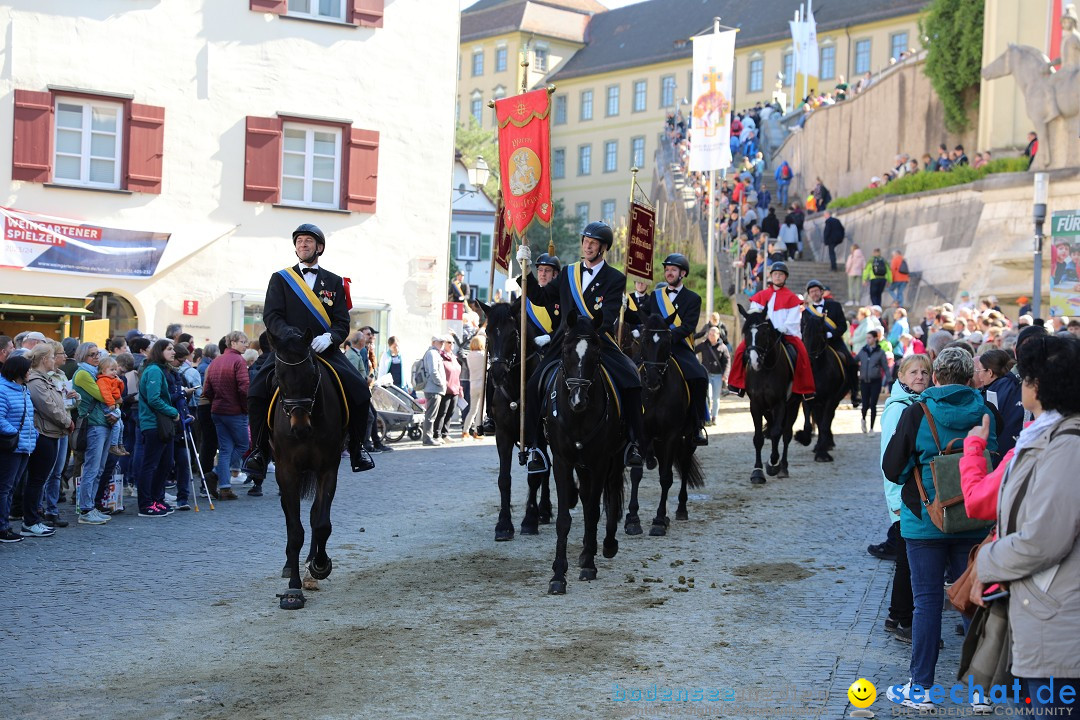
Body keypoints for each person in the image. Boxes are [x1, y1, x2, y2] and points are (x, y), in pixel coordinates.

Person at [968, 333, 1080, 716]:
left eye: (1026, 375)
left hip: (1059, 619)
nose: (1021, 384)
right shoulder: (1049, 435)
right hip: (1045, 610)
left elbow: (1043, 539)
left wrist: (986, 564)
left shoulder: (1067, 445)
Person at [882, 348, 999, 711]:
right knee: (974, 602)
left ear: (934, 378)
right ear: (970, 379)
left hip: (924, 520)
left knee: (927, 603)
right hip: (974, 517)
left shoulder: (918, 412)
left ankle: (921, 688)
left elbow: (892, 466)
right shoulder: (987, 411)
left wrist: (919, 482)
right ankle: (981, 691)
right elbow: (994, 457)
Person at [244, 223, 374, 478]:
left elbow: (341, 322)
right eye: (299, 241)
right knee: (257, 391)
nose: (302, 244)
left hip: (323, 350)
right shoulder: (280, 279)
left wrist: (330, 337)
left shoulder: (334, 281)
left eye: (308, 241)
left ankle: (358, 448)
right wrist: (291, 337)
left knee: (360, 390)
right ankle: (258, 451)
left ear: (320, 247)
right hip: (289, 350)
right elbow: (272, 316)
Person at [518, 221, 645, 473]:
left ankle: (634, 442)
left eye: (593, 243)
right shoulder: (567, 273)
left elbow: (607, 317)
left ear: (602, 248)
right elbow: (542, 297)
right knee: (533, 383)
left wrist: (587, 335)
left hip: (597, 339)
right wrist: (527, 271)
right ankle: (535, 447)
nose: (587, 246)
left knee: (631, 378)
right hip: (565, 341)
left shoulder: (615, 278)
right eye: (585, 241)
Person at [874, 353, 933, 639]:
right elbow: (889, 459)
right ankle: (901, 618)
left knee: (905, 559)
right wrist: (896, 503)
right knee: (908, 560)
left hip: (911, 497)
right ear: (901, 377)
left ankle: (896, 615)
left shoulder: (917, 403)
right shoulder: (899, 409)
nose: (920, 377)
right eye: (914, 373)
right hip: (904, 499)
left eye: (924, 372)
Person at [629, 253, 710, 446]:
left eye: (673, 270)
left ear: (683, 273)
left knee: (699, 375)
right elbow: (642, 317)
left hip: (679, 347)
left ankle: (697, 423)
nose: (669, 273)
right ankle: (629, 421)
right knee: (630, 371)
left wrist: (667, 338)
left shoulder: (693, 298)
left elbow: (688, 326)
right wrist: (626, 310)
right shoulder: (657, 296)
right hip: (654, 349)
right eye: (667, 270)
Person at [727, 263, 816, 399]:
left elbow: (793, 319)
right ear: (771, 276)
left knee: (802, 353)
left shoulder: (792, 298)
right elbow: (753, 314)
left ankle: (804, 389)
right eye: (775, 274)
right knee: (740, 351)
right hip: (762, 334)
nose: (778, 277)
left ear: (785, 277)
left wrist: (782, 328)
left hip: (784, 334)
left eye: (780, 275)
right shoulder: (760, 296)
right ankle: (737, 385)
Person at [21, 344, 73, 537]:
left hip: (52, 432)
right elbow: (48, 407)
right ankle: (30, 521)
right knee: (37, 479)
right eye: (52, 357)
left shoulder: (45, 379)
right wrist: (67, 420)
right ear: (44, 359)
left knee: (40, 478)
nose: (55, 360)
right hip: (44, 433)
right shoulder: (36, 380)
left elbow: (57, 403)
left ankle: (34, 519)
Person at [135, 339, 180, 517]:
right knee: (151, 465)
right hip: (154, 423)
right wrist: (172, 411)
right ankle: (146, 504)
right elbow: (154, 399)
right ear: (159, 351)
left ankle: (156, 499)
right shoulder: (153, 370)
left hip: (161, 423)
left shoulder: (160, 370)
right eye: (169, 349)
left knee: (165, 463)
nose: (173, 352)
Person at [203, 331, 249, 500]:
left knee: (225, 450)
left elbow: (206, 389)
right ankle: (215, 474)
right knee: (243, 445)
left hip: (218, 410)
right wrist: (245, 408)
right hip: (235, 411)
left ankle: (225, 488)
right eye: (243, 341)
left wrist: (215, 400)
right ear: (233, 343)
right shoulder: (239, 361)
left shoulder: (216, 361)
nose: (246, 345)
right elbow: (244, 388)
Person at [71, 343, 113, 525]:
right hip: (94, 425)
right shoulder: (82, 374)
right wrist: (113, 395)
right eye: (91, 354)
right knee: (91, 469)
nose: (96, 357)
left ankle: (91, 506)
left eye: (97, 354)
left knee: (99, 469)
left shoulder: (95, 373)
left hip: (104, 423)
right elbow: (105, 396)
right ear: (82, 357)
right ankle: (86, 509)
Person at [0, 355, 36, 543]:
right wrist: (15, 433)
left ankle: (4, 525)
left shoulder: (23, 389)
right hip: (11, 445)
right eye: (28, 369)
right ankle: (2, 528)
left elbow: (29, 416)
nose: (30, 372)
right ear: (18, 371)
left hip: (24, 445)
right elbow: (0, 418)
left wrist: (33, 434)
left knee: (11, 487)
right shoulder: (3, 390)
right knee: (5, 488)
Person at [974, 348, 1023, 457]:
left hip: (1000, 453)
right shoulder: (1015, 384)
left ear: (990, 372)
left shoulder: (992, 392)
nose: (978, 376)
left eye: (979, 371)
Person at [95, 356, 130, 457]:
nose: (114, 372)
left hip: (114, 404)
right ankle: (113, 445)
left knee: (121, 426)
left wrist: (119, 382)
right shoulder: (103, 380)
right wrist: (111, 403)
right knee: (117, 425)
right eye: (111, 370)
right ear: (103, 370)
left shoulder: (112, 379)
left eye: (115, 369)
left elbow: (120, 391)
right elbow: (106, 393)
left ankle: (120, 444)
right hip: (108, 405)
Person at [695, 326, 730, 424]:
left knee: (716, 398)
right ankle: (708, 417)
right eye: (709, 334)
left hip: (718, 376)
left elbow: (727, 362)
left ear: (718, 335)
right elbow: (692, 351)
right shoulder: (703, 345)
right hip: (706, 375)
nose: (711, 336)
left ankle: (714, 417)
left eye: (713, 334)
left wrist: (725, 375)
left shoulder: (723, 347)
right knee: (708, 396)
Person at [857, 330, 889, 432]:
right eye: (867, 338)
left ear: (875, 338)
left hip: (875, 381)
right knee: (865, 404)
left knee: (873, 404)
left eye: (869, 337)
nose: (867, 340)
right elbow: (854, 360)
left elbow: (885, 367)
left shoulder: (880, 352)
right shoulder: (863, 351)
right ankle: (863, 419)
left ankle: (871, 428)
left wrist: (889, 380)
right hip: (864, 381)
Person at [419, 335, 448, 446]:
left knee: (432, 415)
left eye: (443, 342)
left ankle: (428, 437)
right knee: (431, 415)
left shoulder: (435, 353)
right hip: (433, 388)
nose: (442, 344)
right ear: (433, 342)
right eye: (440, 342)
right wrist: (441, 383)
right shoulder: (432, 353)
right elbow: (433, 371)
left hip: (434, 388)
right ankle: (427, 438)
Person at [462, 335, 486, 438]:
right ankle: (477, 431)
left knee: (472, 409)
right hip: (482, 382)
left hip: (473, 382)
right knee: (482, 409)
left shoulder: (469, 355)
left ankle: (465, 430)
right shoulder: (483, 355)